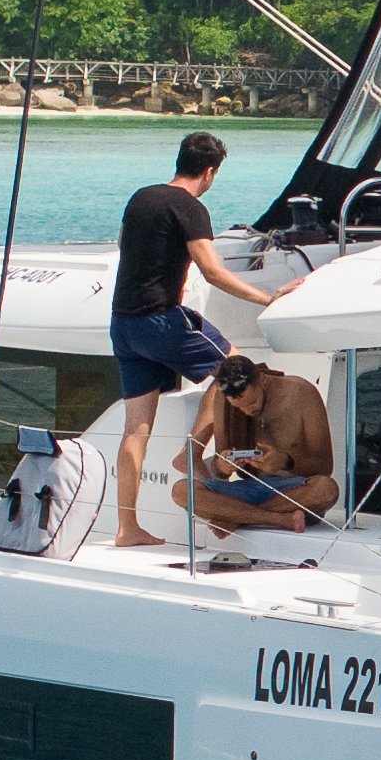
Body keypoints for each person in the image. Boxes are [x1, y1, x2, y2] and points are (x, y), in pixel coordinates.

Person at [110, 130, 280, 549]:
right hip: (160, 322)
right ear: (209, 171)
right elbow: (213, 272)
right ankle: (193, 452)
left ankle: (127, 529)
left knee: (136, 429)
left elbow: (130, 248)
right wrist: (268, 297)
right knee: (236, 370)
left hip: (123, 324)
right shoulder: (191, 208)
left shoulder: (141, 198)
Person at [178, 354, 341, 535]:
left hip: (292, 490)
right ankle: (275, 518)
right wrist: (223, 466)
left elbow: (325, 467)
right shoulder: (223, 400)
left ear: (263, 379)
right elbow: (220, 470)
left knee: (327, 489)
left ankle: (237, 518)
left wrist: (285, 462)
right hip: (248, 487)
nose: (247, 411)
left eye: (252, 401)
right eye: (239, 407)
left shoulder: (302, 394)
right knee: (182, 490)